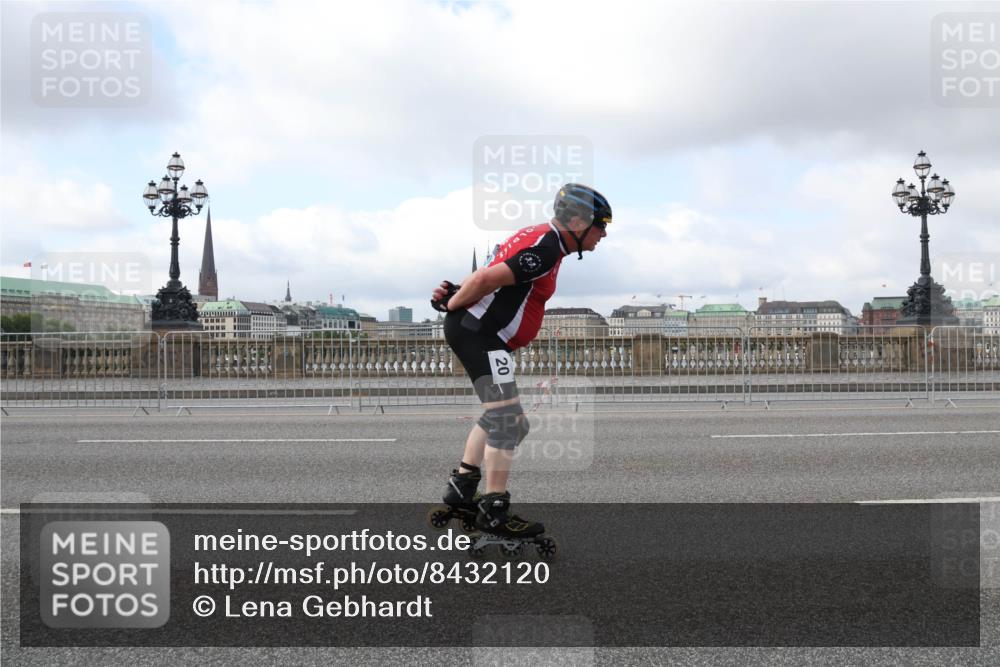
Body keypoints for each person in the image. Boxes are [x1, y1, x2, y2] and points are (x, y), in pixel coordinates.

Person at [430, 184, 612, 538]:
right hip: (480, 335)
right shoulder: (546, 248)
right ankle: (494, 510)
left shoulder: (542, 239)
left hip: (483, 335)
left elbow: (490, 275)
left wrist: (455, 295)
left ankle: (462, 488)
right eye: (600, 225)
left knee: (506, 419)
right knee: (508, 422)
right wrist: (452, 303)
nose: (603, 234)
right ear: (578, 222)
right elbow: (485, 277)